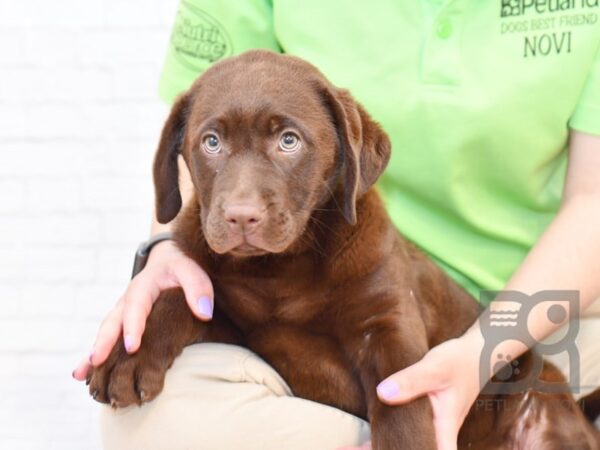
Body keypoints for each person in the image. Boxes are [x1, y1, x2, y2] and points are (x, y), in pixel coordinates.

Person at [73, 1, 600, 449]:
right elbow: (204, 115)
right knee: (141, 419)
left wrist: (479, 354)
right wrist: (168, 257)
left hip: (546, 312)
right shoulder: (226, 198)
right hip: (282, 300)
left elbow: (592, 203)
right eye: (212, 145)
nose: (242, 204)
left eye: (287, 141)